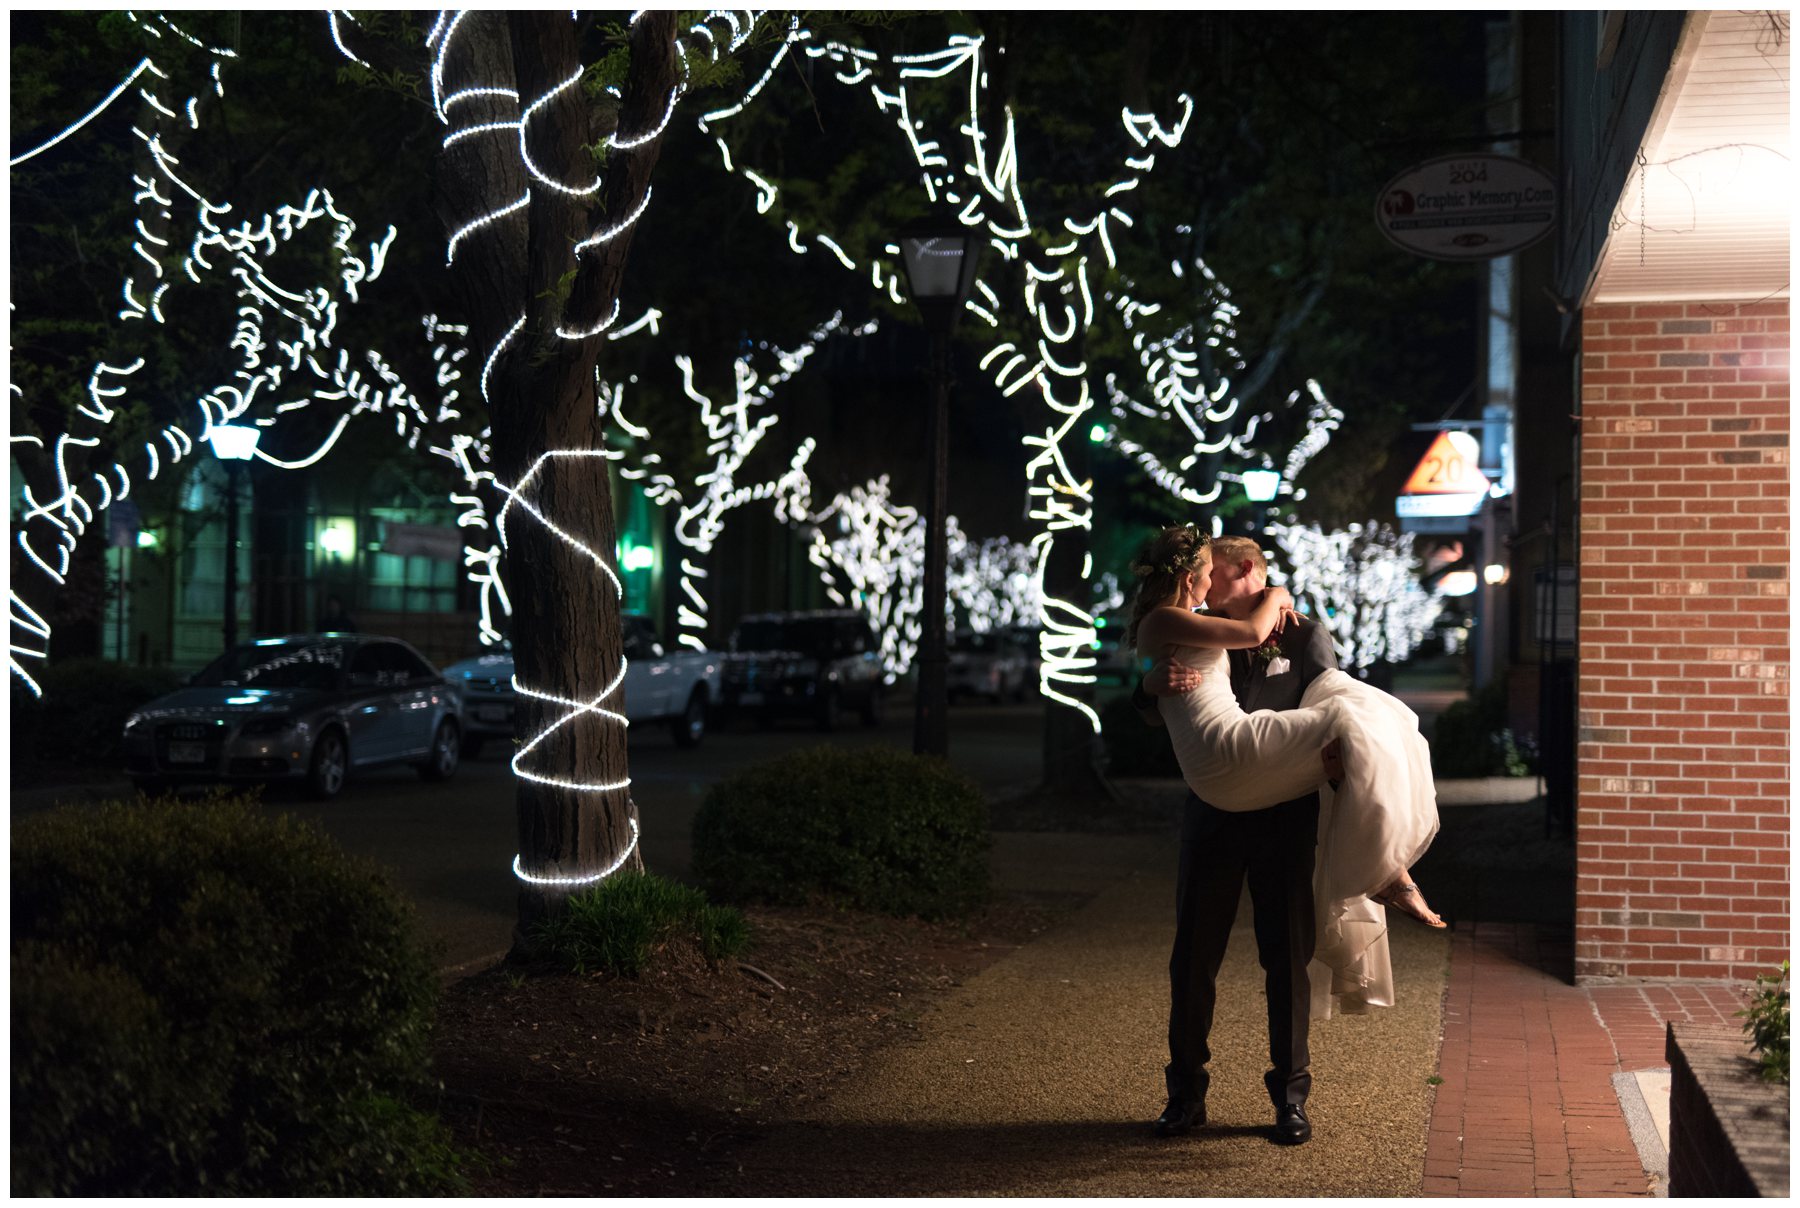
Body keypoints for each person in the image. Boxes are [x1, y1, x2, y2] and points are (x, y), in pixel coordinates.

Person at [1135, 526, 1441, 1146]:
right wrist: (1149, 686)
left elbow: (1331, 699)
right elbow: (1155, 690)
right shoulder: (1195, 620)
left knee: (1287, 958)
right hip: (1216, 810)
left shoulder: (1304, 634)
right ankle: (1185, 1096)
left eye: (1216, 577)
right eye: (1201, 578)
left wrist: (1338, 771)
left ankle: (1290, 1099)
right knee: (1193, 958)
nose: (1206, 589)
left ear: (1242, 569)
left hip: (1283, 816)